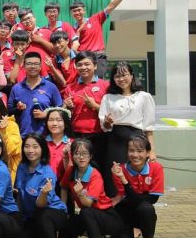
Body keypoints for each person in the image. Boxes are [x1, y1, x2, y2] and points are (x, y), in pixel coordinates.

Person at [59, 139, 132, 238]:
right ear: (72, 155)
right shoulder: (71, 171)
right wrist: (63, 207)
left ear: (91, 156)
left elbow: (87, 203)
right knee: (65, 237)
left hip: (107, 216)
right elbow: (63, 186)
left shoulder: (95, 175)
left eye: (84, 153)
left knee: (86, 212)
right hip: (90, 216)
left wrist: (80, 194)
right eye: (77, 153)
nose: (81, 157)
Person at [12, 134, 68, 238]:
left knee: (43, 215)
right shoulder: (22, 167)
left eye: (35, 147)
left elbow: (41, 205)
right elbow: (19, 195)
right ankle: (41, 237)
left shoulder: (47, 174)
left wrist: (43, 193)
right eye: (27, 146)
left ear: (42, 149)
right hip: (31, 215)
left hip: (53, 213)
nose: (30, 150)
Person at [100, 61, 157, 187]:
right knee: (114, 175)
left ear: (131, 76)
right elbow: (104, 127)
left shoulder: (144, 96)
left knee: (135, 175)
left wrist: (152, 151)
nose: (121, 79)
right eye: (117, 76)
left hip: (137, 140)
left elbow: (149, 127)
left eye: (124, 75)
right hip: (115, 141)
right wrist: (107, 122)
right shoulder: (108, 97)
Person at [111, 134, 165, 238]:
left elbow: (152, 199)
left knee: (146, 208)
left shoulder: (156, 168)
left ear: (148, 153)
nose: (135, 155)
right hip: (124, 213)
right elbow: (125, 199)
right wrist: (122, 178)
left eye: (140, 151)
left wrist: (125, 182)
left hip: (142, 211)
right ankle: (120, 234)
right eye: (131, 150)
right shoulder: (119, 170)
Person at [64, 51, 110, 193]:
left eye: (87, 64)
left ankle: (99, 201)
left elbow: (112, 113)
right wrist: (67, 107)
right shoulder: (70, 88)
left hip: (99, 136)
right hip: (78, 136)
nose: (83, 67)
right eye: (79, 65)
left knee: (100, 170)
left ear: (95, 66)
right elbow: (65, 116)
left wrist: (95, 106)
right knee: (78, 171)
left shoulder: (106, 86)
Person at [70, 0, 136, 77]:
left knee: (98, 81)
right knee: (83, 83)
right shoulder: (72, 29)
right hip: (83, 59)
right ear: (71, 13)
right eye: (74, 11)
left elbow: (111, 6)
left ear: (84, 10)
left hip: (98, 57)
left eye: (79, 10)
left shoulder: (95, 19)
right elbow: (73, 49)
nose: (77, 13)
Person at [8, 52, 63, 136]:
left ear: (40, 66)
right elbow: (9, 112)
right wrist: (18, 109)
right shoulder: (16, 88)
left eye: (36, 64)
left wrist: (46, 114)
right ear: (24, 66)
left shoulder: (50, 87)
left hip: (45, 137)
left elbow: (60, 110)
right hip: (23, 136)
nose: (33, 66)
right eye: (29, 64)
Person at [43, 107, 74, 178]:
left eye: (59, 120)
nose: (54, 123)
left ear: (66, 123)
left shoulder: (72, 143)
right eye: (51, 120)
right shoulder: (41, 143)